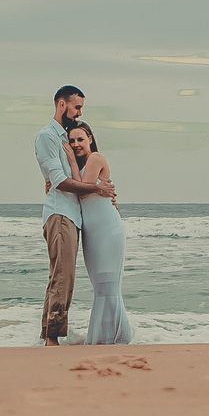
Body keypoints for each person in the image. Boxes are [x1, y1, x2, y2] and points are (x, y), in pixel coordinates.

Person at [34, 86, 116, 346]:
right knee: (63, 276)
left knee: (62, 274)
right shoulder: (47, 136)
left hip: (73, 216)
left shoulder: (67, 137)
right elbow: (59, 181)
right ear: (62, 105)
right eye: (77, 107)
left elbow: (72, 177)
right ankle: (51, 339)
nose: (79, 112)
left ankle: (50, 334)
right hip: (60, 214)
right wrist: (97, 188)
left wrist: (101, 191)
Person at [64, 121, 133, 345]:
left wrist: (72, 162)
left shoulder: (95, 158)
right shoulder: (83, 164)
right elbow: (76, 187)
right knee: (100, 287)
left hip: (108, 230)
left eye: (80, 139)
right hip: (91, 234)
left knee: (108, 286)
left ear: (90, 139)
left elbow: (82, 191)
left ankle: (117, 338)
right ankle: (107, 336)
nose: (76, 144)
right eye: (72, 141)